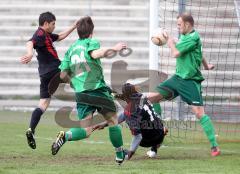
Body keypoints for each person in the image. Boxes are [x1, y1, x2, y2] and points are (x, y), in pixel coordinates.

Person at [51, 16, 127, 165]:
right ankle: (119, 154)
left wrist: (72, 83)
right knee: (112, 121)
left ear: (78, 32)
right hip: (97, 89)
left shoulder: (71, 49)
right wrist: (115, 48)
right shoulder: (91, 42)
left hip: (81, 93)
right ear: (91, 31)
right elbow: (96, 54)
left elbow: (62, 75)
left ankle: (65, 136)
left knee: (86, 130)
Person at [147, 12, 220, 157]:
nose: (178, 27)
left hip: (190, 81)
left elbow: (176, 53)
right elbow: (200, 51)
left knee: (199, 113)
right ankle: (160, 129)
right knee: (150, 98)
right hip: (177, 78)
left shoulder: (194, 37)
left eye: (179, 24)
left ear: (187, 24)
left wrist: (170, 43)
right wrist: (206, 65)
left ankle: (214, 146)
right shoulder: (187, 37)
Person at [20, 11, 78, 149]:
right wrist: (29, 53)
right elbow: (30, 42)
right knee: (76, 80)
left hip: (44, 74)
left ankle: (31, 130)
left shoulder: (46, 35)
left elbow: (60, 36)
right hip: (55, 69)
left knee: (43, 104)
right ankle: (91, 102)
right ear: (45, 24)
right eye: (53, 24)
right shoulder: (39, 34)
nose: (54, 26)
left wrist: (74, 26)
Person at [95, 83, 168, 159]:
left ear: (125, 96)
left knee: (136, 128)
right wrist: (105, 123)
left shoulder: (130, 110)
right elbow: (123, 109)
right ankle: (154, 150)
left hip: (146, 141)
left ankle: (129, 153)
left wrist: (130, 153)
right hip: (160, 134)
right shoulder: (141, 96)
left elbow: (138, 136)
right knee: (154, 120)